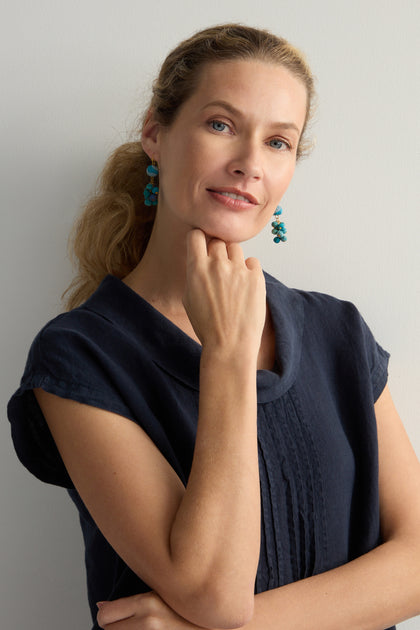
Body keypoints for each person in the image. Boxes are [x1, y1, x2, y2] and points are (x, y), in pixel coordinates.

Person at [7, 23, 420, 630]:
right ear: (155, 133)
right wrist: (226, 355)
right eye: (221, 125)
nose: (250, 164)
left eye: (279, 142)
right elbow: (213, 595)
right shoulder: (79, 357)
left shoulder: (340, 333)